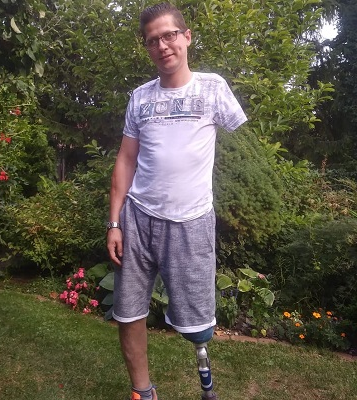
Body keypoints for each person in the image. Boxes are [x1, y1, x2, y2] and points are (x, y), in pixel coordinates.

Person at [107, 3, 247, 400]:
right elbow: (126, 159)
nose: (162, 45)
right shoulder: (139, 98)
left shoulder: (213, 88)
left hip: (191, 221)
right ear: (147, 48)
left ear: (186, 37)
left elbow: (242, 145)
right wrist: (114, 222)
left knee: (197, 323)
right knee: (128, 311)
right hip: (137, 218)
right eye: (153, 40)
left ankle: (205, 380)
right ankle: (143, 391)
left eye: (169, 35)